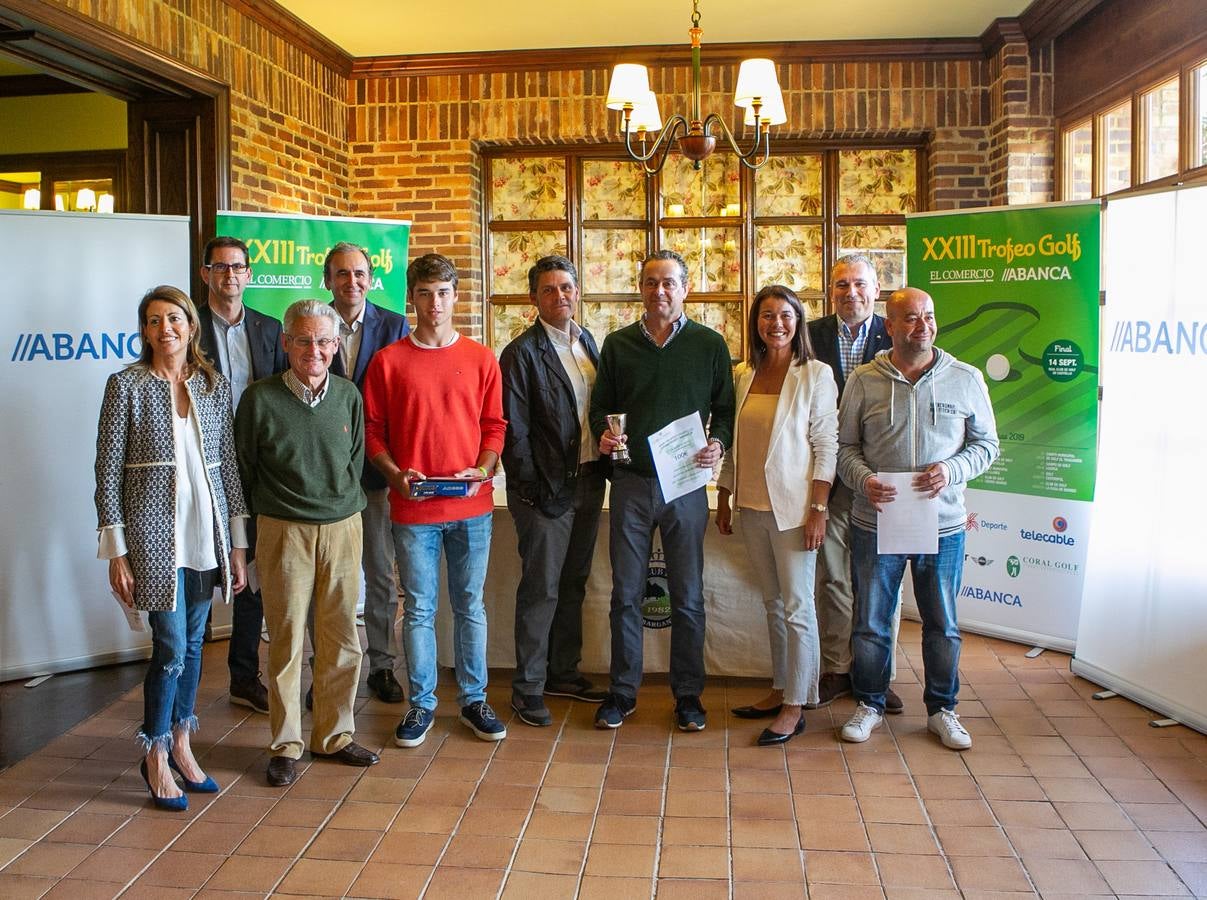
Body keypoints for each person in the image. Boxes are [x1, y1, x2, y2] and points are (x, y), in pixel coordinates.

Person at [94, 285, 248, 811]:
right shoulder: (126, 386)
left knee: (193, 646)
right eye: (155, 320)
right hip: (153, 543)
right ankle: (154, 753)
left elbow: (228, 469)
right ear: (144, 331)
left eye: (175, 318)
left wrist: (237, 545)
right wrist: (116, 551)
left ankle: (183, 744)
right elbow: (107, 472)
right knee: (169, 648)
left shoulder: (210, 385)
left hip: (207, 538)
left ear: (191, 326)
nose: (166, 329)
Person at [836, 288, 999, 750]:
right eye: (909, 318)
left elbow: (986, 445)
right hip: (875, 522)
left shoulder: (965, 378)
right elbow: (845, 447)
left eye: (927, 316)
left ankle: (942, 709)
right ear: (889, 326)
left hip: (943, 526)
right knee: (871, 620)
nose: (922, 325)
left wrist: (951, 470)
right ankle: (869, 702)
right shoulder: (864, 381)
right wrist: (863, 479)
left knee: (942, 622)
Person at [364, 253, 508, 748]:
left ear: (455, 296)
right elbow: (374, 433)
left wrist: (484, 469)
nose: (434, 304)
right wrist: (394, 475)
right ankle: (421, 705)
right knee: (420, 609)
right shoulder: (388, 362)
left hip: (472, 507)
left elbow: (495, 427)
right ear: (412, 297)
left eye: (443, 293)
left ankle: (473, 700)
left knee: (470, 606)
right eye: (424, 293)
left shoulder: (482, 358)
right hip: (414, 509)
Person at [588, 250, 736, 732]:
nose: (660, 291)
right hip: (631, 483)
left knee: (688, 596)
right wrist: (603, 436)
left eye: (669, 283)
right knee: (625, 594)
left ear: (685, 288)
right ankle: (622, 691)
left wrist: (718, 443)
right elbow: (600, 409)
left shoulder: (710, 345)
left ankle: (689, 695)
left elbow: (725, 410)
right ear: (641, 288)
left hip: (687, 485)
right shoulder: (617, 345)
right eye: (651, 283)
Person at [235, 299, 378, 787]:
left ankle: (334, 736)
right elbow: (246, 468)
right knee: (287, 640)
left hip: (342, 525)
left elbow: (354, 461)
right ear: (286, 342)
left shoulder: (348, 396)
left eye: (323, 341)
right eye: (303, 340)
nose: (313, 351)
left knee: (341, 638)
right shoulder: (259, 399)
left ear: (335, 345)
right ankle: (286, 744)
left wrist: (335, 505)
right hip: (283, 528)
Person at [716, 285, 838, 746]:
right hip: (750, 506)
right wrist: (725, 495)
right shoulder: (745, 373)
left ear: (798, 320)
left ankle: (797, 704)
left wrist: (818, 509)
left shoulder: (816, 374)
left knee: (798, 607)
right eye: (767, 316)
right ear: (756, 324)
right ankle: (779, 688)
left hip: (794, 510)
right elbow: (734, 439)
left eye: (785, 315)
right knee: (772, 604)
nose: (776, 324)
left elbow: (826, 445)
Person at [500, 255, 608, 728]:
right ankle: (526, 688)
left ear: (577, 290)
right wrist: (531, 489)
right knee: (541, 587)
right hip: (545, 489)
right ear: (533, 299)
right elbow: (513, 433)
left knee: (572, 582)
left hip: (588, 479)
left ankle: (562, 671)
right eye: (548, 290)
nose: (559, 296)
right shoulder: (520, 354)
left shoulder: (588, 343)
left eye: (566, 287)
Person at [806, 253, 903, 712]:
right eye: (841, 285)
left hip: (884, 483)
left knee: (883, 584)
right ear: (831, 291)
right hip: (831, 479)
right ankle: (837, 669)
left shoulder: (898, 332)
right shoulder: (812, 335)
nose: (851, 293)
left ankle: (877, 676)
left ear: (877, 289)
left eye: (859, 284)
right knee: (835, 581)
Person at [196, 235, 287, 716]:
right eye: (221, 267)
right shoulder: (186, 328)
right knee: (198, 568)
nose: (230, 276)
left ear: (249, 274)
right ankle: (183, 667)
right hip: (200, 465)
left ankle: (242, 676)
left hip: (254, 467)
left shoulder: (271, 330)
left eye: (239, 267)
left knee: (249, 570)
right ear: (206, 274)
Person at [324, 241, 410, 704]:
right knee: (331, 579)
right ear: (327, 280)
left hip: (376, 472)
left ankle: (381, 665)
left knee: (379, 574)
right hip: (327, 476)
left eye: (359, 274)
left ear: (371, 278)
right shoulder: (312, 324)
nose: (351, 282)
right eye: (341, 274)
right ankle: (331, 673)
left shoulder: (394, 325)